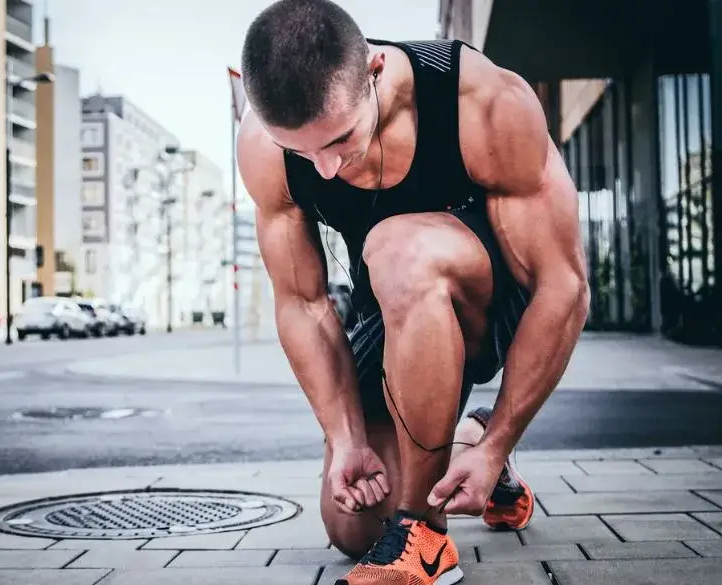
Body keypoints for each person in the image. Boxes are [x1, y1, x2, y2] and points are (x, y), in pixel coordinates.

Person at [236, 1, 590, 584]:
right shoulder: (265, 145)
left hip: (493, 303)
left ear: (374, 70)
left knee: (398, 248)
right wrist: (345, 437)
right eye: (304, 153)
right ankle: (461, 438)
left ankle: (425, 540)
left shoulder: (480, 100)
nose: (324, 169)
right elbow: (302, 303)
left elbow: (563, 285)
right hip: (395, 312)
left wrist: (501, 442)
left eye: (340, 139)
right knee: (354, 528)